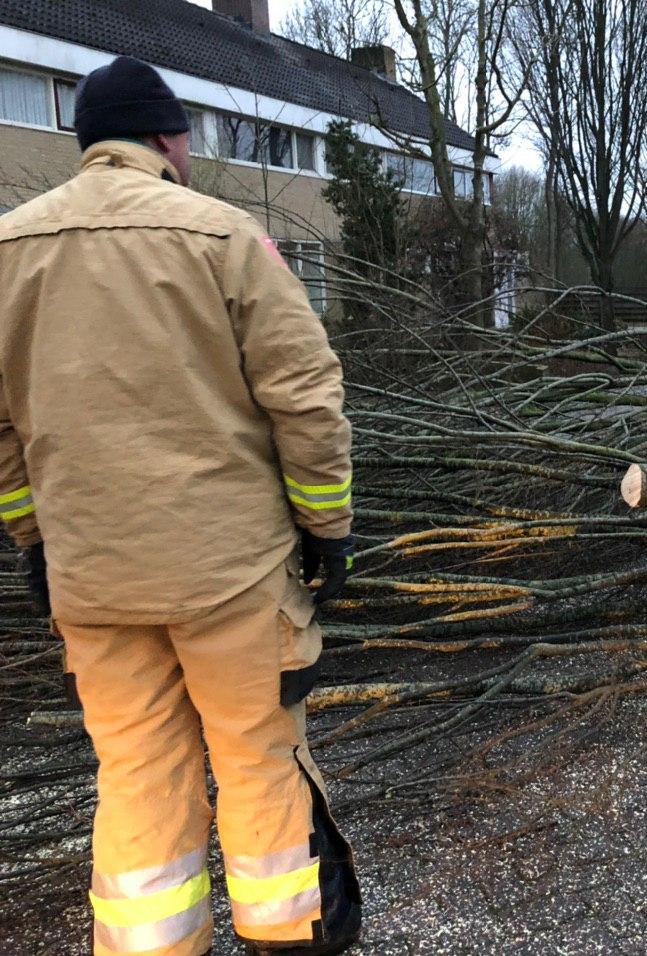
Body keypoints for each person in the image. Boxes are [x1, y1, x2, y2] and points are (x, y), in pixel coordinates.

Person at [0, 57, 361, 954]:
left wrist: (33, 537)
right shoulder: (224, 238)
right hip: (230, 575)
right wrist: (327, 530)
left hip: (93, 581)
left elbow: (2, 433)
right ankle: (287, 940)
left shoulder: (8, 251)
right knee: (252, 758)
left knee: (135, 774)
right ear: (165, 140)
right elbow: (306, 397)